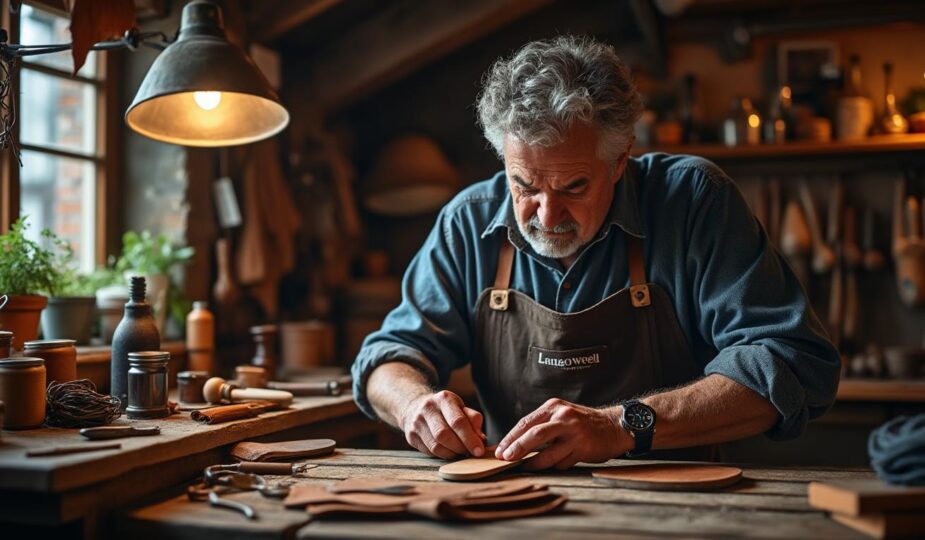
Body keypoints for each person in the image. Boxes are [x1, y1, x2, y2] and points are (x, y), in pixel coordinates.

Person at [351, 35, 840, 469]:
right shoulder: (469, 221)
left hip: (674, 506)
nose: (545, 216)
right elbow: (385, 359)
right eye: (524, 186)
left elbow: (791, 361)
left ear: (621, 159)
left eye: (573, 186)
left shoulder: (693, 202)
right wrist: (414, 404)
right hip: (510, 502)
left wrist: (622, 426)